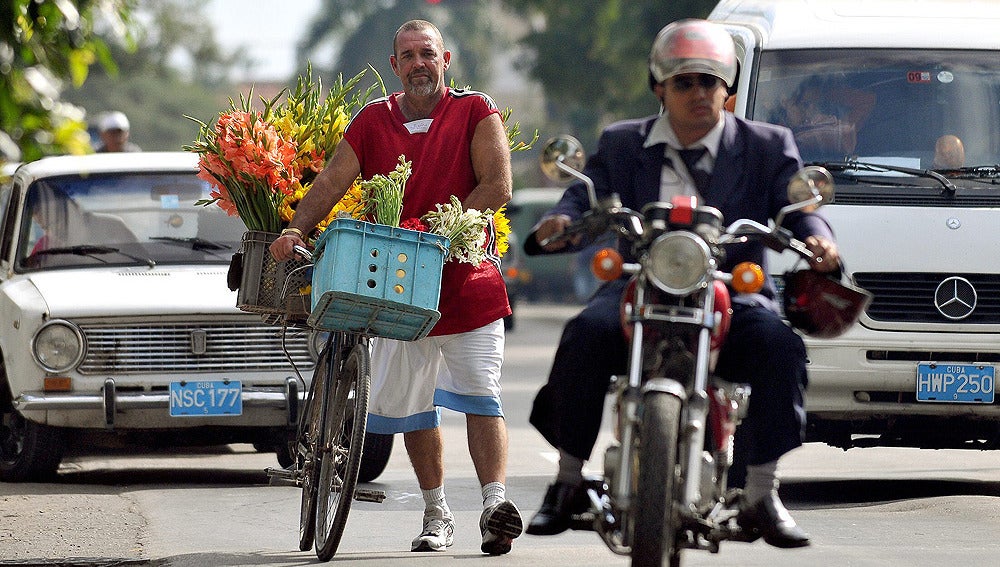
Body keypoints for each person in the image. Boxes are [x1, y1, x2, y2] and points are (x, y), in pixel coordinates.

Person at [522, 19, 841, 549]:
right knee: (583, 336)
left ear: (728, 89)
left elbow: (798, 204)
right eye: (685, 82)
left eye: (710, 82)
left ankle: (762, 491)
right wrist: (561, 221)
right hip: (637, 287)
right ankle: (569, 480)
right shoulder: (624, 143)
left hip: (731, 293)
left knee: (781, 347)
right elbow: (586, 195)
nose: (699, 93)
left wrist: (819, 238)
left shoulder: (766, 145)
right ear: (659, 88)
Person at [270, 20, 522, 556]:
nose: (418, 64)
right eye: (407, 56)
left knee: (483, 395)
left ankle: (495, 504)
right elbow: (332, 182)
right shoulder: (373, 122)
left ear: (445, 59)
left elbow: (498, 184)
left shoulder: (475, 111)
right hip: (399, 286)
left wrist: (444, 227)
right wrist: (295, 228)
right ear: (395, 66)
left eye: (426, 53)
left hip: (466, 279)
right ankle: (436, 513)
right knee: (412, 408)